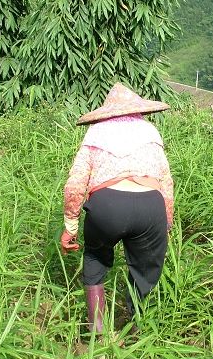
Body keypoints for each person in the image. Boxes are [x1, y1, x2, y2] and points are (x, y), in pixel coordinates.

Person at [61, 82, 174, 335]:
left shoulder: (95, 133)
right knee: (146, 269)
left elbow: (76, 183)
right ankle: (137, 333)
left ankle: (98, 334)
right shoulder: (150, 132)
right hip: (150, 203)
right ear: (138, 110)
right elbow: (166, 180)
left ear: (107, 112)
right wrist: (166, 221)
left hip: (108, 205)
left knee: (95, 256)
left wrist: (70, 225)